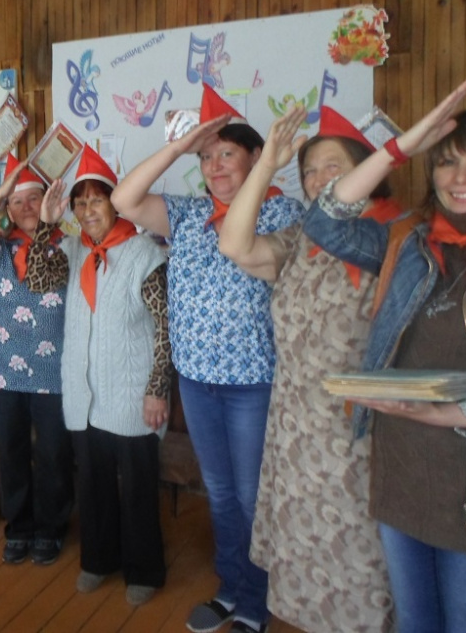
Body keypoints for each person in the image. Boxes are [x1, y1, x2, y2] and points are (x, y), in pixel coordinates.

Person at [303, 78, 466, 632]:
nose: (459, 178)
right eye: (445, 162)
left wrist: (445, 412)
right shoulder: (408, 242)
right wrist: (400, 147)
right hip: (402, 479)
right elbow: (323, 220)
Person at [111, 87, 304, 633]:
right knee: (219, 493)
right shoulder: (188, 213)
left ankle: (256, 603)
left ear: (256, 156)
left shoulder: (284, 211)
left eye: (227, 154)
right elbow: (124, 200)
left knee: (251, 496)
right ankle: (231, 588)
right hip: (196, 382)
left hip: (253, 385)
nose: (214, 166)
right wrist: (177, 148)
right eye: (206, 157)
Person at [219, 105, 399, 632]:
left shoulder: (395, 236)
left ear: (367, 168)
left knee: (361, 559)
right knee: (308, 557)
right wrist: (266, 164)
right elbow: (234, 244)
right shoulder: (302, 237)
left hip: (359, 432)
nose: (319, 180)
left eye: (333, 166)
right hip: (296, 428)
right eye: (309, 171)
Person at [27, 145, 172, 607]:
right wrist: (47, 225)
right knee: (91, 484)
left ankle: (144, 569)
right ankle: (98, 559)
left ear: (115, 202)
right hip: (84, 392)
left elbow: (166, 327)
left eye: (97, 200)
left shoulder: (144, 253)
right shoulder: (72, 250)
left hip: (131, 394)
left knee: (138, 487)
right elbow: (37, 279)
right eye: (80, 203)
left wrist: (157, 389)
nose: (88, 211)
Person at [0, 154, 73, 565]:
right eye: (16, 201)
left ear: (48, 200)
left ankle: (51, 529)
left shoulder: (69, 247)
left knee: (54, 454)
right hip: (4, 372)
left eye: (33, 198)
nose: (25, 207)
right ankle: (19, 528)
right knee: (12, 452)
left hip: (54, 373)